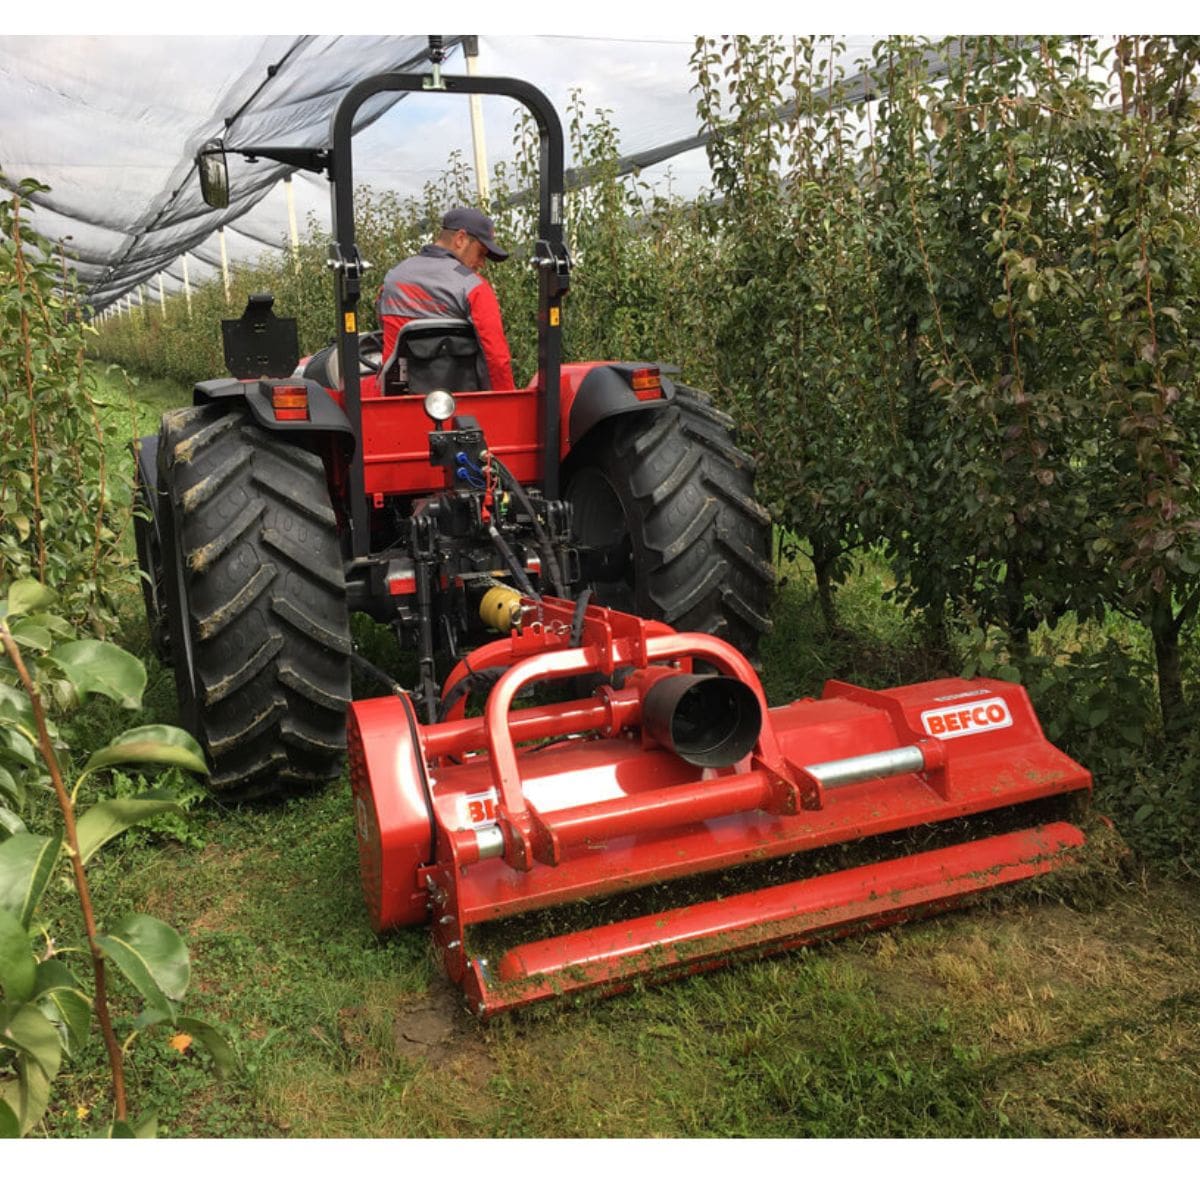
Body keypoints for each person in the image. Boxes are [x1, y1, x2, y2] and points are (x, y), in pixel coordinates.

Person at [376, 206, 516, 391]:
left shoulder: (392, 279)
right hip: (457, 403)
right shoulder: (475, 287)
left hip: (396, 398)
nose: (481, 263)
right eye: (480, 253)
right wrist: (505, 404)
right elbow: (496, 357)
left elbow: (383, 330)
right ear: (460, 239)